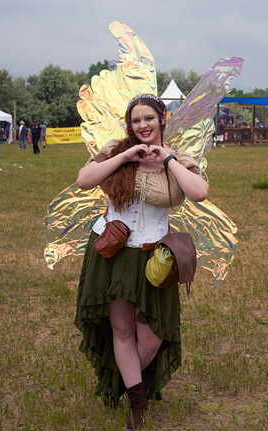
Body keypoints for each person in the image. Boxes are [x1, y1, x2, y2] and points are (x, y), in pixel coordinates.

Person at [75, 94, 209, 429]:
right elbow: (84, 179)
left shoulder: (178, 158)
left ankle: (120, 383)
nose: (142, 125)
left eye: (148, 118)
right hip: (114, 251)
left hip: (156, 257)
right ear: (129, 124)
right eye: (135, 120)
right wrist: (125, 156)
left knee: (152, 336)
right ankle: (138, 404)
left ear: (163, 118)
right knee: (122, 330)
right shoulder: (116, 149)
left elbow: (199, 192)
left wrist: (168, 159)